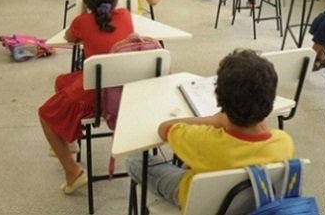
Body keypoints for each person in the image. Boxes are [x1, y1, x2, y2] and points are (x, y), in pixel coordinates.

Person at [126, 48, 294, 211]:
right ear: (271, 100)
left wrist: (213, 120)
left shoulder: (202, 140)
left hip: (195, 201)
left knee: (135, 161)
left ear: (219, 98)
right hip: (254, 206)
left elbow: (164, 129)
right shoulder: (284, 142)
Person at [38, 0, 134, 194]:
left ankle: (73, 171)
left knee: (45, 114)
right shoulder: (126, 16)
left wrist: (84, 11)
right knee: (62, 81)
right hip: (123, 90)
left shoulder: (82, 21)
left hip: (97, 93)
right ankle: (69, 139)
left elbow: (69, 38)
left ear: (86, 0)